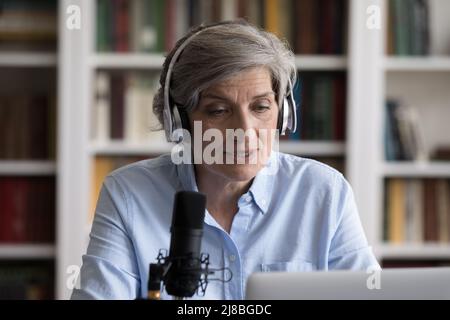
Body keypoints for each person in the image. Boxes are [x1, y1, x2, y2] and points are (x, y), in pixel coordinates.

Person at [71, 20, 379, 300]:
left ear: (282, 114)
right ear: (180, 121)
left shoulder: (325, 192)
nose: (244, 131)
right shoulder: (128, 194)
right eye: (218, 111)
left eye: (260, 107)